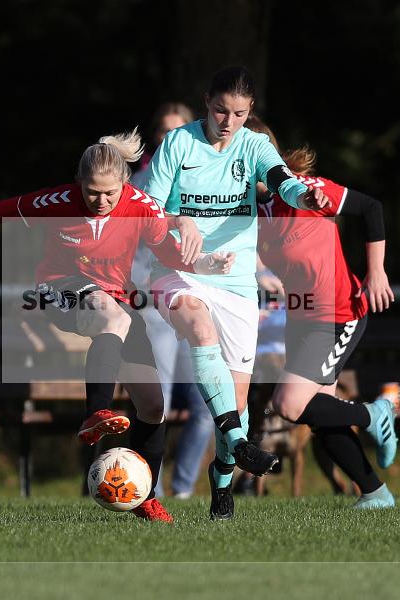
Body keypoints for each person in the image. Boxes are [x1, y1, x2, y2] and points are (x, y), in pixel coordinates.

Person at [0, 128, 232, 521]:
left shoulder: (141, 205)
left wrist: (203, 264)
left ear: (125, 184)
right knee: (110, 314)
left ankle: (144, 497)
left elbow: (168, 252)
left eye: (110, 193)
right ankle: (96, 411)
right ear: (79, 183)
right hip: (59, 288)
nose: (101, 201)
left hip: (116, 299)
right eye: (93, 192)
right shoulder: (59, 201)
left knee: (152, 405)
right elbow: (5, 209)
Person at [143, 66, 330, 519]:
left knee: (239, 400)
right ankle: (241, 441)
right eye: (221, 110)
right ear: (207, 101)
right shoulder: (179, 143)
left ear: (250, 113)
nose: (228, 121)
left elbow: (282, 178)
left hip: (235, 281)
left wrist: (303, 198)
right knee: (197, 322)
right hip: (177, 271)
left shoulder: (254, 145)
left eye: (240, 113)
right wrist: (179, 220)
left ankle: (222, 486)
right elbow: (146, 209)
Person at [247, 115, 400, 509]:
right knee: (321, 412)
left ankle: (374, 414)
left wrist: (376, 272)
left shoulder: (306, 190)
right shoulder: (247, 211)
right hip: (301, 317)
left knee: (289, 404)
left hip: (339, 313)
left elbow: (370, 209)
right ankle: (375, 494)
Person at [128, 102, 210, 498]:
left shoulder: (206, 182)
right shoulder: (138, 184)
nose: (169, 138)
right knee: (153, 404)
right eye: (163, 131)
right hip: (153, 308)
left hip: (197, 307)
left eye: (178, 130)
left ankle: (182, 490)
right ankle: (151, 490)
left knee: (207, 405)